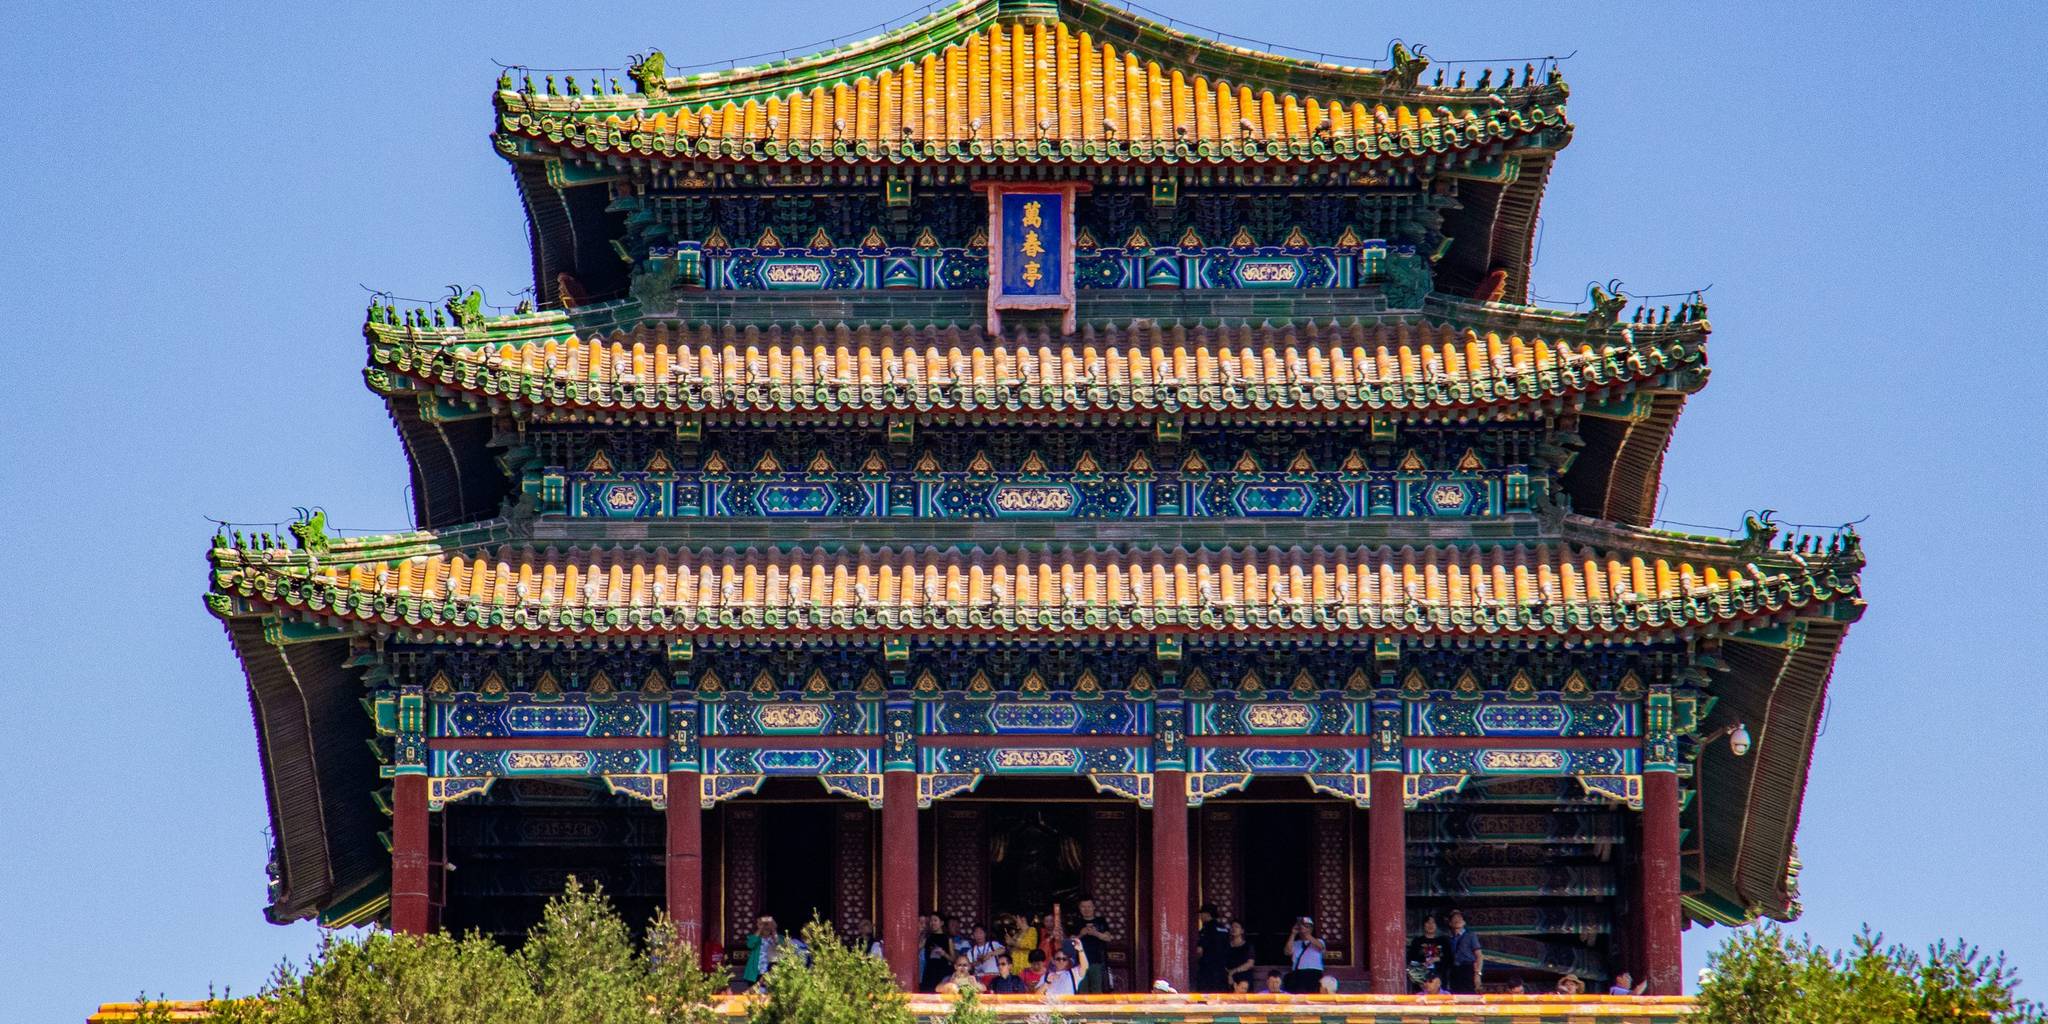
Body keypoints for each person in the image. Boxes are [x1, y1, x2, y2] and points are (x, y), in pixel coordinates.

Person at [1072, 897, 1116, 992]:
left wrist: (1095, 933)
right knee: (1082, 990)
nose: (1086, 909)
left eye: (1089, 906)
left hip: (1097, 961)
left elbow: (1108, 938)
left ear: (1094, 907)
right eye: (1083, 907)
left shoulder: (1101, 921)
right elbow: (1071, 941)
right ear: (1079, 908)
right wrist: (1081, 934)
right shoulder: (1076, 922)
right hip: (1080, 962)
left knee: (1097, 990)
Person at [742, 916, 787, 992]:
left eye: (768, 924)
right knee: (753, 995)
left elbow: (780, 944)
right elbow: (750, 944)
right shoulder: (755, 937)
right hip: (755, 973)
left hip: (772, 972)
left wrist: (773, 929)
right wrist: (760, 928)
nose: (766, 926)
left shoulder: (780, 937)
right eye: (764, 924)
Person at [1282, 916, 1326, 994]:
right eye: (1302, 926)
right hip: (1299, 973)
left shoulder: (1319, 941)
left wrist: (1306, 934)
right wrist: (1293, 934)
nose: (1303, 929)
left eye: (1307, 926)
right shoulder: (1296, 943)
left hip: (1314, 973)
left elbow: (1320, 947)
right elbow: (1287, 952)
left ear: (1311, 929)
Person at [1194, 904, 1233, 993]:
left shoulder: (1206, 930)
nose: (1200, 916)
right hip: (1222, 970)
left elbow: (1199, 951)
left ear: (1207, 914)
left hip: (1207, 970)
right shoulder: (1224, 929)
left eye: (1201, 914)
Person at [1445, 910, 1482, 994]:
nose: (1457, 920)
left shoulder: (1470, 935)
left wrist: (1478, 974)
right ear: (1450, 923)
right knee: (1455, 995)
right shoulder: (1449, 939)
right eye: (1454, 918)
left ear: (1464, 922)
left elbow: (1479, 956)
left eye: (1459, 918)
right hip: (1454, 970)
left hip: (1468, 968)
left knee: (1469, 995)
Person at [1407, 914, 1449, 987]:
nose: (1430, 925)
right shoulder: (1417, 941)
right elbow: (1411, 959)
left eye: (1433, 922)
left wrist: (1437, 959)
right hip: (1421, 977)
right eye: (1428, 922)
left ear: (1436, 925)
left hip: (1439, 977)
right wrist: (1421, 963)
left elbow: (1449, 959)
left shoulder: (1443, 941)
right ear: (1424, 925)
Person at [920, 913, 953, 992]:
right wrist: (921, 933)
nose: (933, 923)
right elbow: (917, 949)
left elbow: (953, 959)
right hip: (929, 971)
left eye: (935, 920)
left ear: (941, 923)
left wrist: (944, 954)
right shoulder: (927, 937)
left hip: (942, 971)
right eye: (931, 921)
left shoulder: (948, 939)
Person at [1226, 920, 1256, 992]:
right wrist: (1229, 975)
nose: (1233, 929)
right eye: (1232, 927)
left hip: (1244, 978)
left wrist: (1233, 972)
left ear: (1242, 931)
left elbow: (1250, 963)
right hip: (1230, 978)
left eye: (1236, 927)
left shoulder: (1248, 945)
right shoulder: (1226, 946)